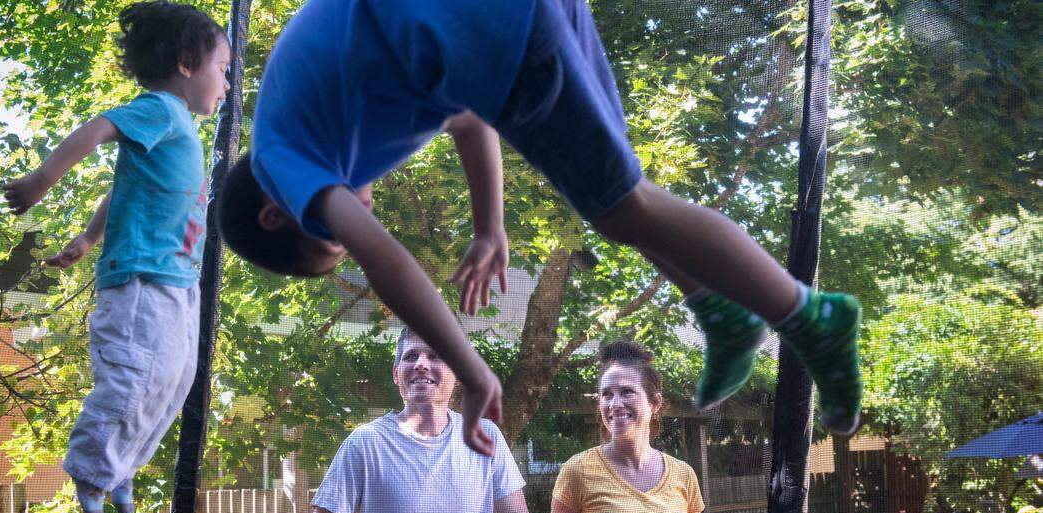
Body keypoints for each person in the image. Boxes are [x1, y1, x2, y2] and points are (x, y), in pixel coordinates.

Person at [217, 0, 863, 461]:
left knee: (618, 206)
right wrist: (489, 226)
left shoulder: (282, 157)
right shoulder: (328, 112)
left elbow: (385, 259)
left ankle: (809, 316)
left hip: (492, 29)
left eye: (325, 237)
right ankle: (720, 312)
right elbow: (469, 121)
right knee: (621, 194)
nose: (351, 222)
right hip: (511, 19)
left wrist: (471, 370)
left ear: (277, 214)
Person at [3, 1, 231, 513]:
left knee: (176, 379)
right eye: (222, 68)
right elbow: (100, 127)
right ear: (186, 63)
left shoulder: (177, 127)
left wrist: (86, 237)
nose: (225, 82)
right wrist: (44, 178)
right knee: (135, 377)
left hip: (177, 281)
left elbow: (126, 186)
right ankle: (90, 467)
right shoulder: (161, 108)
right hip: (142, 280)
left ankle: (120, 466)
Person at [305, 328, 559, 513]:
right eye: (411, 356)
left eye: (435, 356)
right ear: (396, 374)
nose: (421, 364)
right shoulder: (365, 443)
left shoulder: (485, 438)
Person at [547, 341, 710, 513]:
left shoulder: (683, 474)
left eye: (627, 392)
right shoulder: (577, 471)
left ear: (654, 403)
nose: (614, 403)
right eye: (606, 394)